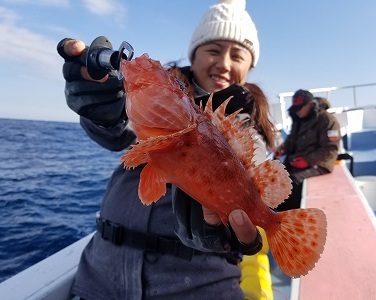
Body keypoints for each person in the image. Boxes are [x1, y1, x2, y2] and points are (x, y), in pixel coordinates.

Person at [57, 0, 278, 299]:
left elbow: (256, 173)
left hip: (198, 286)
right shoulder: (162, 92)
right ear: (194, 54)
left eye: (237, 55)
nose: (224, 63)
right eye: (213, 50)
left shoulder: (247, 121)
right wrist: (103, 110)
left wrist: (224, 236)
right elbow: (120, 135)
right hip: (100, 276)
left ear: (249, 67)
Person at [275, 89, 341, 211]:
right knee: (278, 177)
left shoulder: (327, 120)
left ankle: (291, 218)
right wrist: (282, 149)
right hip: (297, 161)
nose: (298, 111)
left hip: (319, 164)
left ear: (310, 104)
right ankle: (278, 213)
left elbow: (331, 149)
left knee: (293, 182)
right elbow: (292, 138)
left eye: (300, 107)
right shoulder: (299, 118)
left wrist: (308, 160)